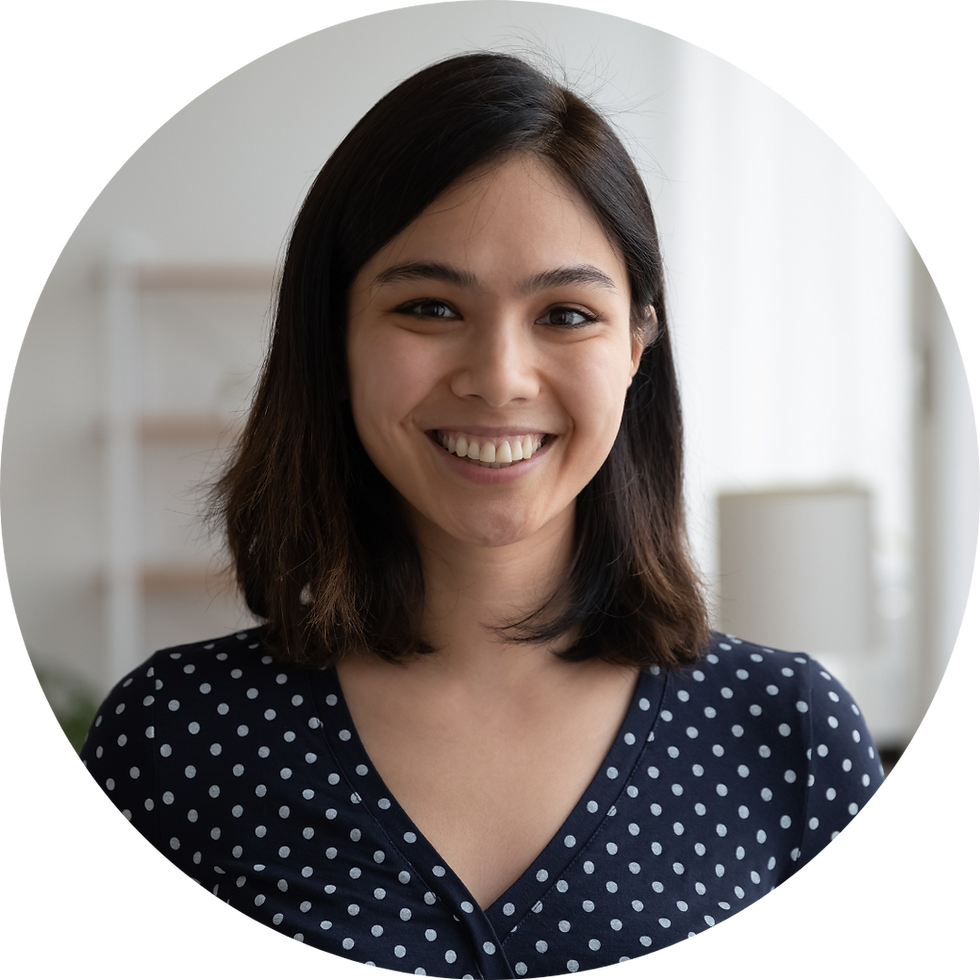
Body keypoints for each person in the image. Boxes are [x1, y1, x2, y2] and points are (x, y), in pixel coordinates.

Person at [79, 52, 886, 977]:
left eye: (567, 314)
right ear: (333, 337)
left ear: (637, 345)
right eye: (429, 306)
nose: (499, 377)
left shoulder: (789, 733)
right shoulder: (178, 737)